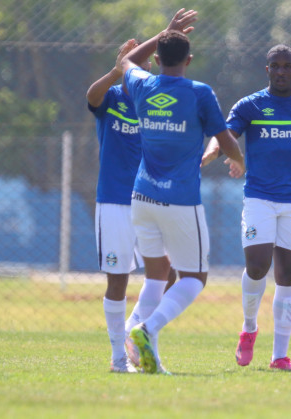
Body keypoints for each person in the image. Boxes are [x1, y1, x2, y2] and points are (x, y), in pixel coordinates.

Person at [202, 44, 291, 371]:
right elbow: (225, 136)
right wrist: (211, 153)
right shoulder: (250, 105)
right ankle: (249, 328)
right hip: (259, 198)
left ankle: (280, 357)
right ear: (266, 70)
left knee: (288, 275)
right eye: (275, 66)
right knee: (257, 266)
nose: (281, 71)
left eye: (287, 66)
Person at [121, 9, 245, 374]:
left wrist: (163, 32)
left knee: (157, 276)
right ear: (189, 60)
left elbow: (126, 60)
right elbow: (226, 141)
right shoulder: (200, 92)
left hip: (141, 197)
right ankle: (147, 329)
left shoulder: (143, 83)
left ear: (157, 59)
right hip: (179, 202)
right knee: (193, 278)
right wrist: (239, 162)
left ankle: (139, 350)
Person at [86, 38, 177, 373]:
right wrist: (114, 70)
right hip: (114, 201)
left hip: (151, 200)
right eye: (130, 63)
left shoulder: (156, 103)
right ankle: (118, 358)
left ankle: (133, 330)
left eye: (145, 64)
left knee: (169, 269)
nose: (139, 70)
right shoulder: (111, 98)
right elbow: (91, 97)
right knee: (118, 281)